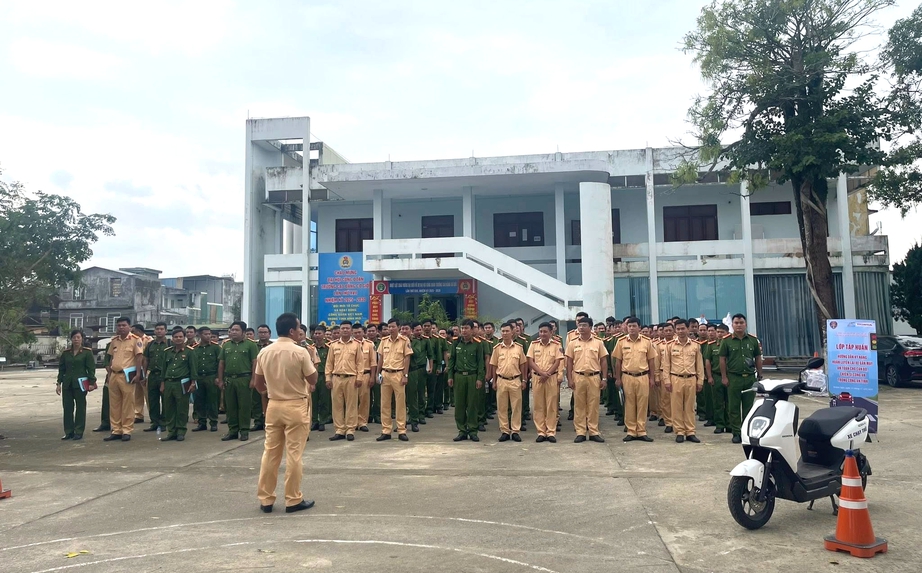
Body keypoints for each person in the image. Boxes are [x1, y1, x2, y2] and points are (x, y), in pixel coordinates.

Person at [254, 312, 318, 514]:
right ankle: (293, 499)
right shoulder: (300, 352)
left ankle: (266, 499)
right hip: (295, 405)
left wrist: (272, 390)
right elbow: (313, 379)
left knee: (270, 453)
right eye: (299, 327)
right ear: (292, 331)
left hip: (274, 405)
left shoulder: (265, 351)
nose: (301, 331)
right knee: (294, 454)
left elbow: (257, 383)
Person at [719, 314, 763, 443]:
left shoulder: (753, 340)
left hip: (749, 378)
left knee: (749, 407)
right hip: (733, 378)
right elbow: (722, 359)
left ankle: (746, 431)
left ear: (746, 324)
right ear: (732, 325)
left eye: (741, 322)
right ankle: (736, 432)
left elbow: (758, 358)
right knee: (734, 407)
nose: (739, 325)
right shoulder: (726, 340)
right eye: (736, 323)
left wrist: (760, 374)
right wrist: (724, 377)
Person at [565, 316, 608, 443]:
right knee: (579, 405)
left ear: (590, 327)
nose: (581, 328)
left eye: (584, 325)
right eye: (579, 325)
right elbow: (569, 362)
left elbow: (604, 361)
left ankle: (594, 431)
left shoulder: (598, 342)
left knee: (593, 405)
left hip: (594, 376)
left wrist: (604, 378)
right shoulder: (573, 343)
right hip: (578, 376)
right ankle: (581, 432)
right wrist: (569, 378)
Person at [614, 317, 657, 443]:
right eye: (629, 326)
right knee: (629, 404)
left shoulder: (647, 342)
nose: (631, 328)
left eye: (634, 326)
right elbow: (618, 362)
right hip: (627, 376)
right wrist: (618, 378)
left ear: (639, 327)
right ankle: (631, 431)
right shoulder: (621, 342)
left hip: (643, 376)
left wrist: (652, 378)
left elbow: (651, 361)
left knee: (643, 404)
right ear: (626, 327)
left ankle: (642, 431)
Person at [663, 319, 704, 443]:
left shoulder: (695, 345)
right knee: (676, 407)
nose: (680, 331)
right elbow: (666, 365)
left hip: (691, 378)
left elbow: (699, 365)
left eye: (683, 328)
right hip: (675, 378)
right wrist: (667, 380)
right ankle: (679, 431)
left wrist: (700, 381)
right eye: (678, 329)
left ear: (688, 329)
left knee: (690, 407)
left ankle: (690, 432)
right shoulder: (670, 346)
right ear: (675, 330)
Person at [217, 321, 259, 441]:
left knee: (244, 406)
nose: (233, 332)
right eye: (232, 330)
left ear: (243, 332)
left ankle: (244, 430)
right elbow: (221, 363)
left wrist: (253, 379)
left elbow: (255, 363)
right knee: (230, 407)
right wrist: (220, 379)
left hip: (244, 379)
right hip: (229, 379)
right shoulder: (226, 345)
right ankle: (233, 430)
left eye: (236, 330)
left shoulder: (251, 345)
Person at [104, 317, 144, 442]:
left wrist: (138, 374)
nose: (121, 327)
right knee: (114, 404)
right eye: (119, 325)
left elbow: (139, 358)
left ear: (129, 326)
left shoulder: (135, 340)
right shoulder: (114, 341)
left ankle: (127, 430)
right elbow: (111, 358)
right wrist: (109, 373)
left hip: (127, 376)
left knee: (128, 404)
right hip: (114, 375)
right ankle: (116, 430)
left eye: (124, 325)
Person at [447, 319, 485, 442]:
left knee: (472, 404)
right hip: (459, 377)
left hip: (472, 377)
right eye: (462, 328)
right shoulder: (456, 343)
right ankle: (462, 430)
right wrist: (450, 376)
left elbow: (480, 363)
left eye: (466, 328)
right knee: (459, 405)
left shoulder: (478, 344)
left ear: (472, 329)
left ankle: (473, 431)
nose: (463, 330)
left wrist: (480, 378)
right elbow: (451, 360)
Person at [159, 328, 199, 441]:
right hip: (168, 383)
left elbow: (193, 369)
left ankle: (181, 431)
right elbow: (164, 369)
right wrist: (162, 383)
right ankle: (171, 432)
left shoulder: (190, 352)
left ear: (184, 338)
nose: (178, 339)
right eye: (176, 337)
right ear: (172, 338)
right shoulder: (167, 352)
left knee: (181, 408)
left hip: (182, 383)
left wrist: (193, 382)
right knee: (169, 408)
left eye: (180, 337)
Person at [325, 321, 363, 441]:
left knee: (351, 405)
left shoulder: (356, 345)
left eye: (347, 328)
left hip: (351, 378)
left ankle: (350, 430)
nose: (345, 330)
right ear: (339, 330)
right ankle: (339, 430)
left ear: (351, 331)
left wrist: (359, 378)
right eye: (343, 328)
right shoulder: (333, 345)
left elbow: (360, 363)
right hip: (336, 378)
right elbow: (329, 363)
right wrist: (328, 378)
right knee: (337, 405)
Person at [376, 318, 413, 441]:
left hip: (398, 374)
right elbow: (380, 359)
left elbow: (407, 359)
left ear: (398, 327)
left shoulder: (404, 340)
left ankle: (401, 430)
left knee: (400, 404)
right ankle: (386, 431)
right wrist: (377, 373)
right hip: (385, 374)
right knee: (385, 404)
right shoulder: (384, 341)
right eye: (389, 327)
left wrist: (405, 375)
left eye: (393, 326)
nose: (390, 329)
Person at [490, 321, 527, 442]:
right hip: (501, 380)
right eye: (503, 331)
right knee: (502, 407)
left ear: (512, 332)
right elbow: (494, 365)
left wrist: (524, 380)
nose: (505, 333)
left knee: (516, 407)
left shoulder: (519, 348)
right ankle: (505, 431)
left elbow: (523, 364)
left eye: (507, 331)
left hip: (515, 380)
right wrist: (494, 381)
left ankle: (515, 431)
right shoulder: (497, 348)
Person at [57, 329, 97, 440]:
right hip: (67, 384)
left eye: (78, 337)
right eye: (74, 337)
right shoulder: (66, 353)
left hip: (80, 384)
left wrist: (92, 382)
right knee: (67, 408)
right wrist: (58, 383)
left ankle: (79, 431)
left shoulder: (86, 352)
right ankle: (68, 431)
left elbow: (91, 369)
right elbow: (62, 369)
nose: (76, 340)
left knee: (80, 408)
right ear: (71, 339)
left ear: (82, 339)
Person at [527, 322, 563, 442]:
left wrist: (547, 374)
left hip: (551, 378)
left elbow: (558, 361)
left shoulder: (556, 345)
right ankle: (541, 432)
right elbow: (530, 361)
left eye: (545, 331)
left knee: (551, 405)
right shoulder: (534, 344)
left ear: (551, 332)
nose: (542, 334)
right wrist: (541, 373)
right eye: (541, 331)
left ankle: (551, 432)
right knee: (538, 406)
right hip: (537, 378)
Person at [192, 327, 221, 432]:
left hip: (211, 377)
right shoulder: (194, 349)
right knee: (199, 401)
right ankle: (202, 423)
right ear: (199, 335)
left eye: (209, 334)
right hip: (199, 377)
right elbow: (193, 365)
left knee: (212, 401)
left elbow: (220, 364)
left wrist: (218, 377)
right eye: (205, 334)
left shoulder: (216, 348)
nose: (208, 336)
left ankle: (213, 422)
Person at [142, 322, 170, 433]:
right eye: (157, 329)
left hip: (165, 376)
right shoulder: (150, 344)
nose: (159, 331)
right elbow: (146, 360)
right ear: (154, 331)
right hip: (153, 375)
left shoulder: (169, 343)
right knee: (152, 400)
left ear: (166, 331)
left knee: (165, 400)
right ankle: (155, 422)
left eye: (161, 329)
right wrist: (144, 375)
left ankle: (164, 423)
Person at [707, 323, 731, 434]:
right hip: (716, 376)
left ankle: (730, 424)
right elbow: (708, 361)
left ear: (727, 333)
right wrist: (710, 376)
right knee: (718, 402)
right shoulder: (711, 345)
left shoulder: (731, 344)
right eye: (718, 332)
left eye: (722, 332)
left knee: (730, 402)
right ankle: (719, 424)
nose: (720, 334)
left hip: (730, 376)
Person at [407, 322, 430, 432]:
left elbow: (416, 353)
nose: (419, 332)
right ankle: (404, 420)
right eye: (417, 330)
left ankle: (416, 418)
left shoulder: (416, 342)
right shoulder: (398, 341)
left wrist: (409, 344)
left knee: (416, 395)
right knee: (402, 399)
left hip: (414, 370)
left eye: (420, 330)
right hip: (400, 372)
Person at [353, 324, 376, 432]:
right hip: (352, 375)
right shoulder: (350, 344)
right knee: (351, 400)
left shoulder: (370, 345)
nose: (357, 334)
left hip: (365, 375)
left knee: (364, 400)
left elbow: (373, 362)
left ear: (364, 332)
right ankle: (352, 422)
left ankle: (362, 422)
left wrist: (372, 377)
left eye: (359, 332)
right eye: (355, 332)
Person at [251, 324, 273, 432]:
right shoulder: (253, 346)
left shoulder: (273, 346)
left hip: (271, 377)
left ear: (269, 334)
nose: (262, 334)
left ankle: (268, 422)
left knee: (270, 400)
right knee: (256, 400)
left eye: (265, 332)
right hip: (258, 375)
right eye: (260, 332)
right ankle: (258, 421)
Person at [310, 325, 332, 431]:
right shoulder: (310, 348)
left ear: (324, 335)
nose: (317, 336)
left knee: (324, 400)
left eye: (319, 333)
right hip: (313, 376)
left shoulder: (329, 348)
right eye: (316, 333)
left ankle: (322, 420)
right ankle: (314, 421)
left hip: (324, 376)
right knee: (313, 400)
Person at [130, 324, 152, 425]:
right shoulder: (132, 340)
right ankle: (138, 414)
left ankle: (153, 415)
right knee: (137, 394)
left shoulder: (149, 340)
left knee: (148, 394)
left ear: (138, 331)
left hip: (145, 369)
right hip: (135, 369)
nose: (131, 333)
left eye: (132, 331)